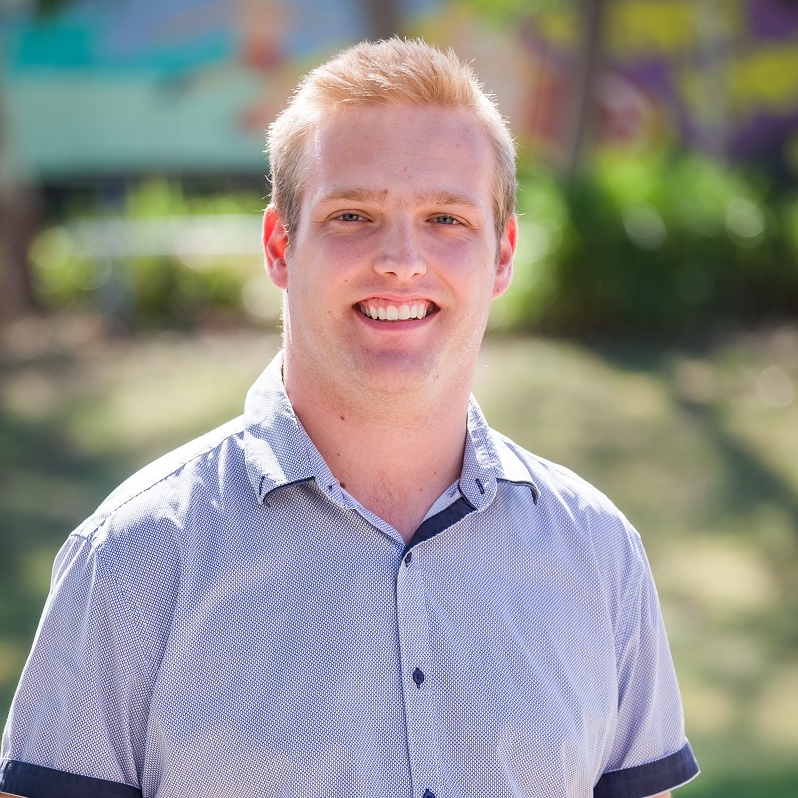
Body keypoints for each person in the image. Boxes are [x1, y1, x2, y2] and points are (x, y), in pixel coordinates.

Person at [0, 38, 699, 798]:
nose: (401, 259)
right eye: (354, 215)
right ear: (278, 245)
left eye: (445, 218)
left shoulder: (599, 554)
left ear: (502, 255)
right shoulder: (134, 562)